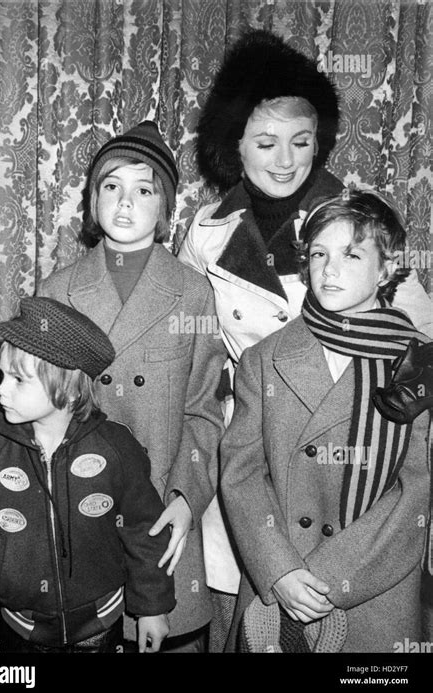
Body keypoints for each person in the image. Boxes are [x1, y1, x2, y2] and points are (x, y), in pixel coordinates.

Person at [177, 28, 433, 652]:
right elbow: (194, 357)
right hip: (258, 468)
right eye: (265, 142)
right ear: (233, 146)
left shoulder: (354, 223)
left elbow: (422, 338)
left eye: (302, 141)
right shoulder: (206, 236)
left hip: (361, 481)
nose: (286, 159)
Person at [39, 121, 227, 652]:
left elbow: (204, 412)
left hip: (163, 523)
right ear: (92, 199)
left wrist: (188, 500)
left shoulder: (192, 293)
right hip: (80, 528)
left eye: (144, 190)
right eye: (111, 186)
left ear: (164, 208)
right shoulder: (58, 292)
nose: (126, 203)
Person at [220, 189, 431, 653]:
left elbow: (416, 489)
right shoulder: (265, 359)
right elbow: (241, 473)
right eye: (318, 254)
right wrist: (280, 570)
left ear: (387, 268)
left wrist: (326, 576)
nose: (329, 269)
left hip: (372, 586)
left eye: (352, 255)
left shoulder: (418, 364)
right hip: (277, 582)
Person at [0, 297, 176, 653]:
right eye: (2, 374)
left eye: (18, 379)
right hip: (22, 629)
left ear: (70, 389)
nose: (0, 389)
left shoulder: (117, 447)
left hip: (100, 625)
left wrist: (153, 607)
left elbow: (144, 529)